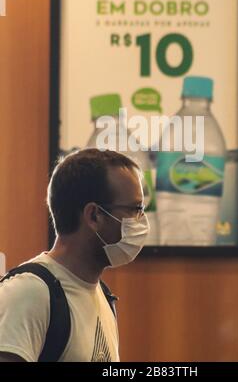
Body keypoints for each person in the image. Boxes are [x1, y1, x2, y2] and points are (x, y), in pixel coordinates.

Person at [0, 148, 150, 362]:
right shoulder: (29, 293)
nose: (141, 221)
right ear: (94, 215)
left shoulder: (102, 296)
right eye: (135, 209)